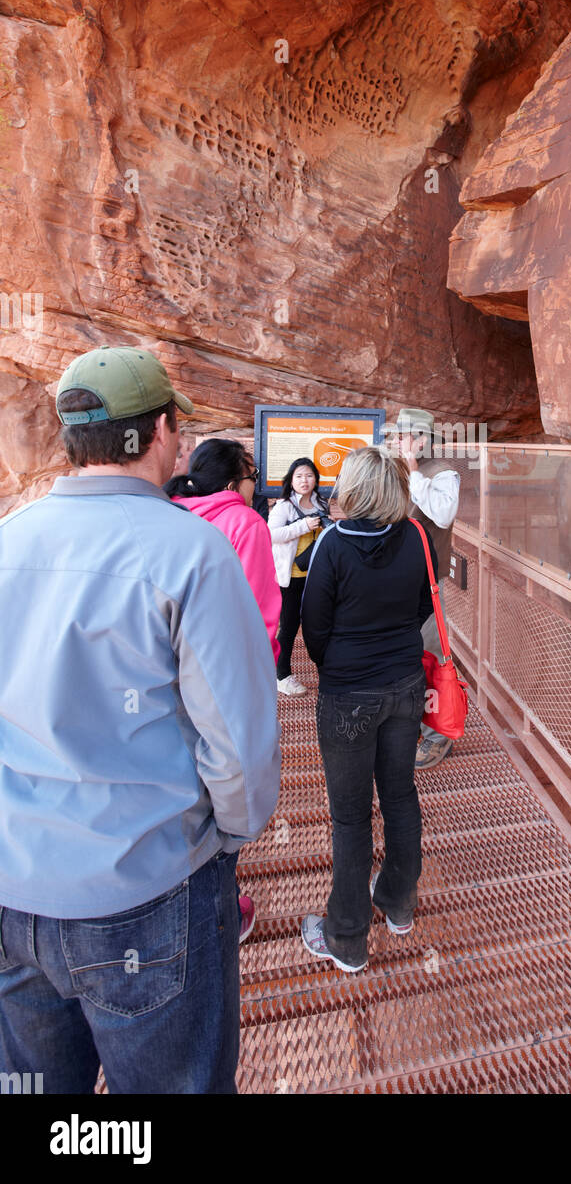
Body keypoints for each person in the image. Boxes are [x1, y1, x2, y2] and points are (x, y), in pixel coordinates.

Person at [0, 346, 280, 1094]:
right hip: (148, 895)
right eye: (176, 429)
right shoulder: (192, 552)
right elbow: (236, 744)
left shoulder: (8, 541)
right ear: (158, 431)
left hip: (14, 889)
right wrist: (230, 834)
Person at [299, 446, 435, 974]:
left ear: (354, 487)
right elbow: (425, 605)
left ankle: (349, 938)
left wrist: (340, 664)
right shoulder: (418, 539)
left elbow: (314, 625)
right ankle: (399, 902)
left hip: (349, 693)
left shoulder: (333, 545)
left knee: (351, 816)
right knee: (400, 793)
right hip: (404, 683)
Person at [165, 439, 281, 668]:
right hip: (226, 660)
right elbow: (256, 606)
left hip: (170, 655)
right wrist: (262, 666)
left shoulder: (170, 510)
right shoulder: (245, 522)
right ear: (232, 485)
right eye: (253, 477)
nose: (255, 486)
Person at [392, 408, 460, 770]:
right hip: (395, 580)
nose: (398, 442)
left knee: (432, 654)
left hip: (427, 583)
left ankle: (439, 735)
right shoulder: (395, 469)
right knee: (404, 655)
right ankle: (412, 720)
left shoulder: (443, 473)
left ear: (422, 439)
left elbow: (443, 514)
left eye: (404, 436)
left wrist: (415, 471)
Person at [268, 457, 332, 697]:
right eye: (299, 476)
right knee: (289, 627)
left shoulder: (321, 503)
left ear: (316, 478)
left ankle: (326, 670)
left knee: (319, 624)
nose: (304, 481)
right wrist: (304, 526)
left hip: (316, 575)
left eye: (309, 475)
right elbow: (271, 534)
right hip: (290, 577)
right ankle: (281, 675)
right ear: (291, 480)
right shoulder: (283, 506)